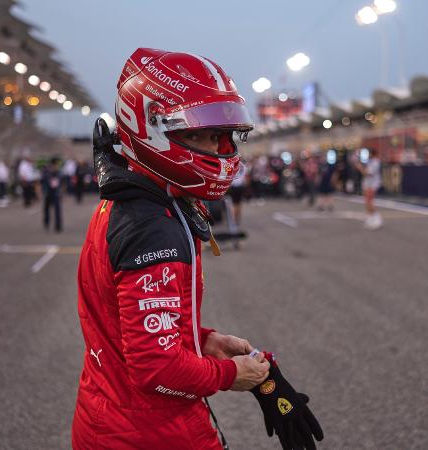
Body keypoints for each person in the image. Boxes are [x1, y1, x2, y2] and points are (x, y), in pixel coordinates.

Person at [72, 48, 322, 450]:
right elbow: (158, 369)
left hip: (114, 418)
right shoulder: (152, 226)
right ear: (149, 126)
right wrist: (231, 374)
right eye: (199, 133)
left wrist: (204, 340)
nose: (221, 150)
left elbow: (131, 327)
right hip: (152, 434)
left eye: (224, 134)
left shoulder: (132, 198)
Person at [355, 148, 382, 230]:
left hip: (372, 184)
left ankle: (377, 218)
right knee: (367, 202)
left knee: (369, 202)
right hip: (367, 184)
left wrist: (359, 167)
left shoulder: (375, 162)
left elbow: (368, 173)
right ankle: (370, 218)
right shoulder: (370, 161)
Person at [41, 157, 63, 232]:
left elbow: (60, 182)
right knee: (46, 209)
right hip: (48, 193)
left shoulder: (58, 172)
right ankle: (46, 223)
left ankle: (58, 226)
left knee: (57, 210)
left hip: (56, 193)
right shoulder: (46, 171)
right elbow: (43, 181)